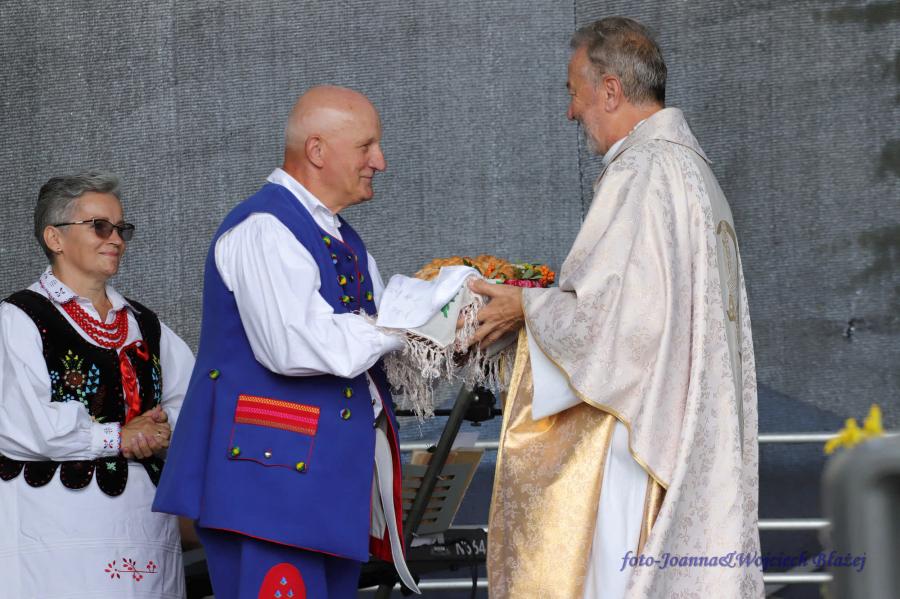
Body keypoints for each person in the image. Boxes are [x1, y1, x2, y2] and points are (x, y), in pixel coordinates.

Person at [473, 17, 763, 598]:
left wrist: (524, 307)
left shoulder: (642, 170)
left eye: (574, 91)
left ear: (610, 90)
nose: (571, 112)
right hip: (683, 428)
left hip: (639, 437)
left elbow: (611, 326)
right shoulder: (694, 173)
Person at [153, 85, 419, 599]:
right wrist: (406, 322)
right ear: (317, 150)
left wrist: (451, 329)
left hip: (320, 489)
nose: (380, 161)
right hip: (270, 485)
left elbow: (382, 349)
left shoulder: (343, 238)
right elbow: (293, 346)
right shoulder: (264, 228)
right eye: (366, 146)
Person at [0, 171, 195, 598]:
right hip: (57, 535)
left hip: (145, 530)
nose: (116, 239)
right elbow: (22, 424)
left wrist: (162, 430)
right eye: (100, 226)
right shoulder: (18, 319)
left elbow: (196, 403)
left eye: (122, 229)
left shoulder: (145, 324)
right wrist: (118, 437)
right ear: (54, 237)